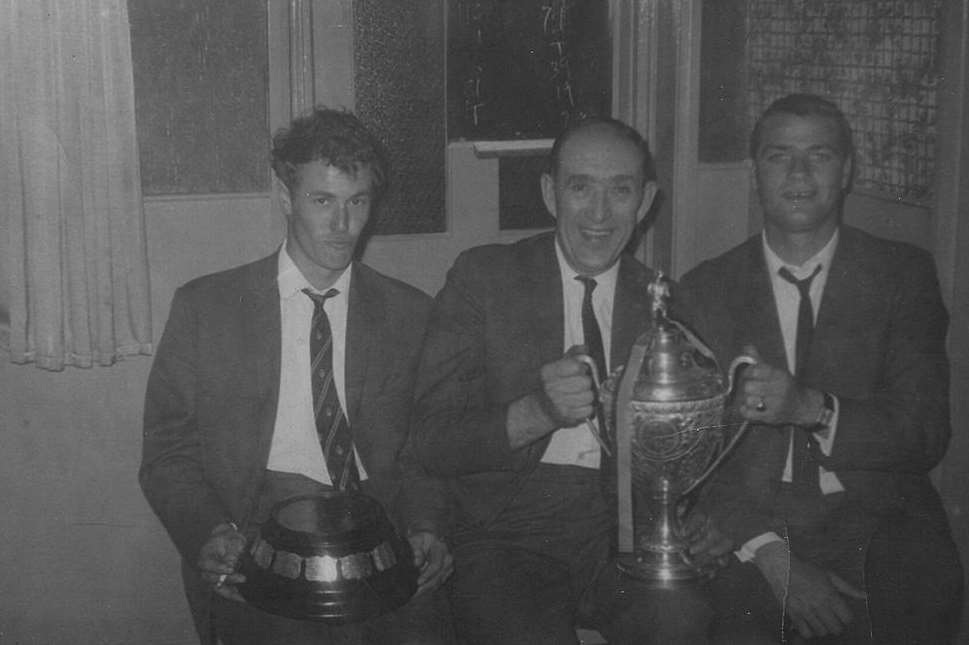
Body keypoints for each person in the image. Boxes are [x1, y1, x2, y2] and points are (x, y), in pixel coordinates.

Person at [139, 107, 453, 645]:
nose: (342, 224)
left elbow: (423, 450)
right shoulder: (207, 308)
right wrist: (208, 534)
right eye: (322, 200)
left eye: (357, 202)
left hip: (378, 526)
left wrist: (427, 527)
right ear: (286, 198)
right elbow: (168, 454)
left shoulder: (410, 314)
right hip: (256, 527)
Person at [409, 115, 727, 644]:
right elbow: (430, 441)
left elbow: (700, 440)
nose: (600, 214)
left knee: (684, 620)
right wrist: (537, 412)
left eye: (620, 190)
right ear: (551, 193)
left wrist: (701, 515)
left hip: (627, 534)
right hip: (505, 532)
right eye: (581, 188)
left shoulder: (665, 304)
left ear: (646, 200)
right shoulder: (484, 279)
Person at [678, 93, 963, 644]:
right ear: (753, 172)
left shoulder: (902, 276)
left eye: (821, 155)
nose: (800, 174)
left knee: (926, 591)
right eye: (780, 156)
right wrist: (769, 552)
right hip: (755, 522)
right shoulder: (706, 289)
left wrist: (811, 407)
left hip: (877, 517)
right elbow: (693, 458)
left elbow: (926, 434)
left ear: (848, 169)